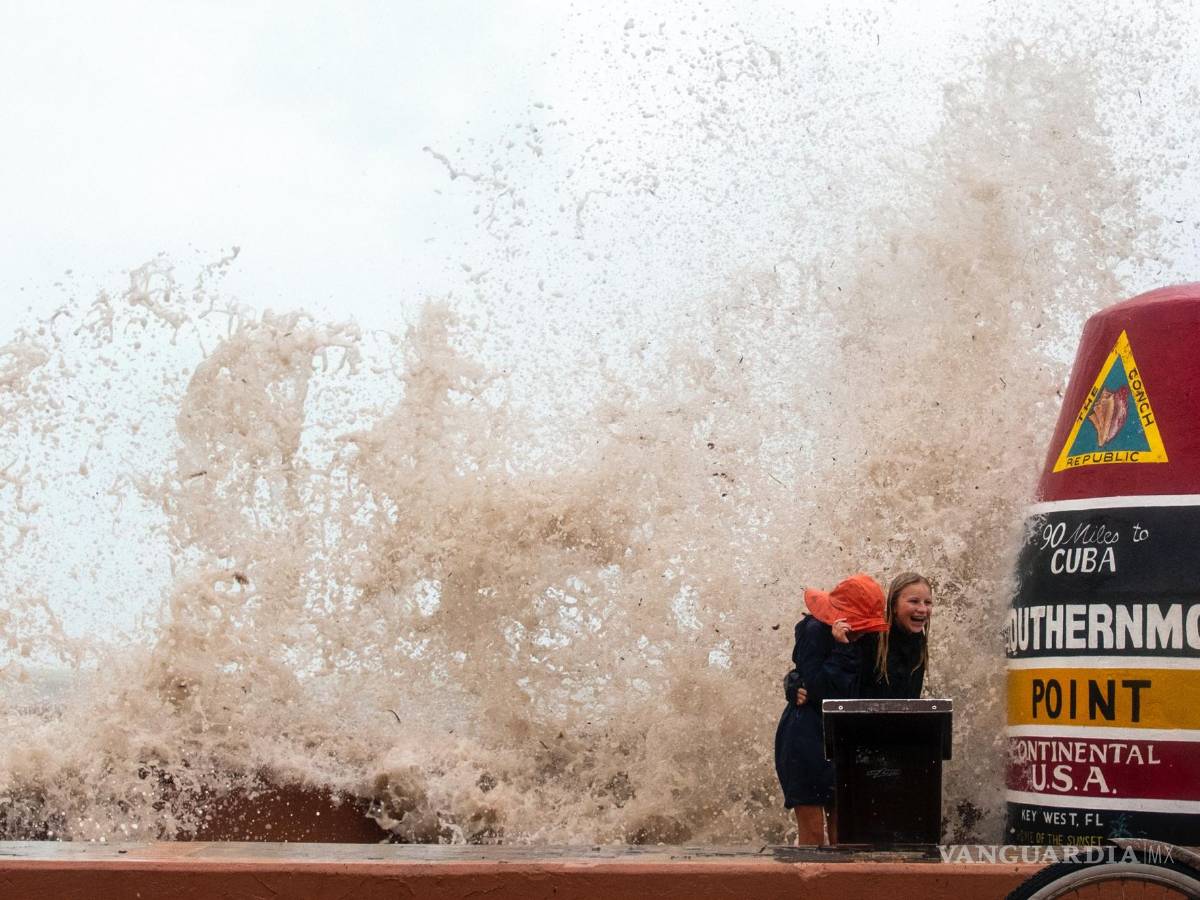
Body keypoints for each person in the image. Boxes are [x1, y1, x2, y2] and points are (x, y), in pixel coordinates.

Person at [774, 574, 887, 845]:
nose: (864, 631)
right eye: (860, 625)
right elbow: (825, 693)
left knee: (845, 835)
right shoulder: (813, 631)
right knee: (813, 834)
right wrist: (842, 649)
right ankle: (808, 889)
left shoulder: (867, 638)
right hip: (805, 736)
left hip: (842, 737)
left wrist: (793, 679)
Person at [859, 571, 932, 699]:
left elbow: (910, 702)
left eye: (927, 602)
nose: (923, 609)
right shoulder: (871, 637)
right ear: (894, 606)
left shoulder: (918, 640)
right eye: (914, 601)